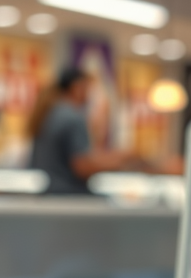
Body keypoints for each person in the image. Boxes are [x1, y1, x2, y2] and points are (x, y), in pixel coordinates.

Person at [28, 67, 145, 195]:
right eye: (89, 88)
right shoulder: (73, 117)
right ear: (77, 88)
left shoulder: (51, 112)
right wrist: (122, 163)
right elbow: (82, 166)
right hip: (68, 195)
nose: (90, 95)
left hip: (47, 193)